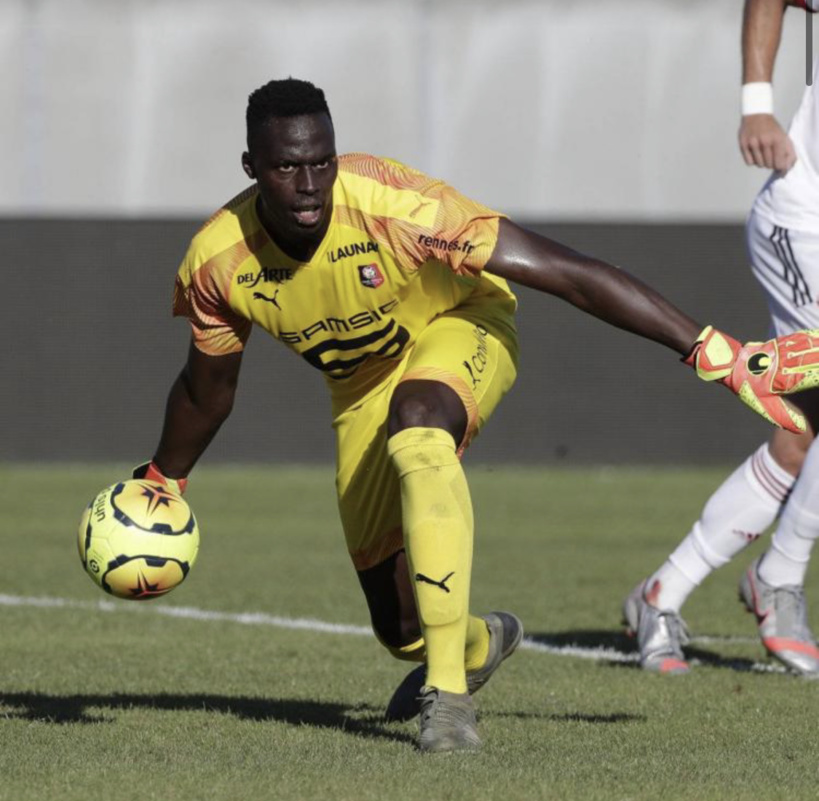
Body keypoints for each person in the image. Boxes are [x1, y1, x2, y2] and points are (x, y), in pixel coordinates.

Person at [136, 77, 819, 752]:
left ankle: (447, 700)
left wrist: (712, 351)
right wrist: (164, 479)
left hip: (463, 324)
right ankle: (478, 644)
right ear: (252, 168)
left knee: (419, 427)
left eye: (322, 162)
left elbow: (567, 272)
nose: (310, 184)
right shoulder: (218, 262)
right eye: (288, 168)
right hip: (360, 392)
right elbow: (207, 389)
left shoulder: (398, 207)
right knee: (400, 628)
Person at [623, 0, 819, 675]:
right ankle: (778, 576)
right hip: (806, 223)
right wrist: (756, 106)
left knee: (800, 432)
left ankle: (662, 593)